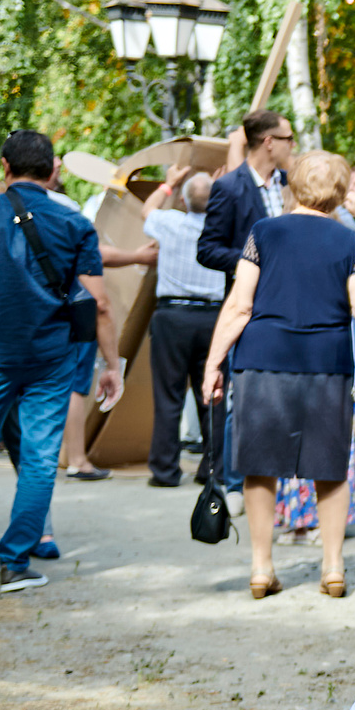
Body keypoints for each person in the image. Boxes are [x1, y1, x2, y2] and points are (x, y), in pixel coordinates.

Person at [0, 130, 122, 594]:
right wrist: (111, 365)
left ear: (5, 168)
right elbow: (101, 304)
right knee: (38, 456)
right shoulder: (75, 224)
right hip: (53, 357)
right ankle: (14, 562)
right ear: (53, 171)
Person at [199, 150, 355, 600]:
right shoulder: (349, 242)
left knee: (260, 466)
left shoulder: (263, 232)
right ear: (339, 193)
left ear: (293, 186)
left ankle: (262, 568)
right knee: (330, 467)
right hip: (326, 363)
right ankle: (333, 567)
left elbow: (241, 305)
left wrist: (213, 364)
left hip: (262, 359)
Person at [142, 167, 223, 489]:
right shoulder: (224, 231)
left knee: (168, 396)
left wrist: (169, 183)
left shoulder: (170, 222)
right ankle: (213, 468)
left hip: (172, 317)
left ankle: (164, 471)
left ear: (184, 200)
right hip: (213, 320)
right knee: (212, 395)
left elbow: (147, 209)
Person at [199, 109, 295, 275]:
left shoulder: (292, 182)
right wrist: (255, 259)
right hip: (252, 295)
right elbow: (208, 251)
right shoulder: (228, 186)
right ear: (269, 142)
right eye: (289, 139)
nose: (293, 145)